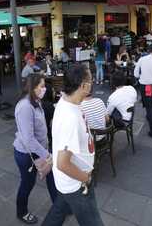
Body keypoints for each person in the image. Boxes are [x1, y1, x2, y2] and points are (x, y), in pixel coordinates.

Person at [42, 64, 103, 226]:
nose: (93, 82)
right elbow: (63, 163)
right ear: (83, 86)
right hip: (77, 184)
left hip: (67, 182)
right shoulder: (70, 118)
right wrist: (86, 179)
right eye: (91, 80)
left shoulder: (67, 100)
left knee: (57, 213)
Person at [13, 74, 57, 224]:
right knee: (27, 183)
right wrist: (47, 155)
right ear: (33, 87)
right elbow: (28, 139)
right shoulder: (25, 106)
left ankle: (59, 207)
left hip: (41, 150)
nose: (44, 89)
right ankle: (22, 211)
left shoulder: (36, 101)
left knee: (52, 177)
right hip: (27, 155)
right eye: (42, 86)